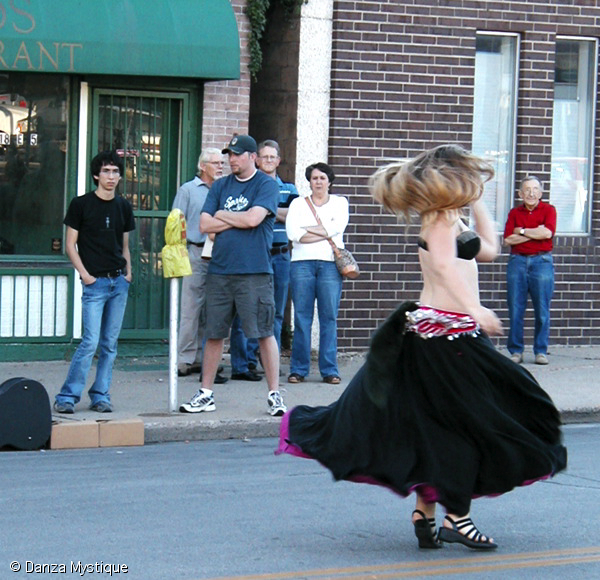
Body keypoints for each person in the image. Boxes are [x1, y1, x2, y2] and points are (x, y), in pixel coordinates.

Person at [277, 145, 566, 551]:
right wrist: (475, 308)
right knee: (470, 424)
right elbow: (445, 268)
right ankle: (457, 518)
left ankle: (426, 512)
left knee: (436, 427)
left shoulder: (452, 218)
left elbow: (489, 249)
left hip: (451, 336)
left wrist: (479, 202)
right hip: (445, 338)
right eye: (467, 180)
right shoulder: (438, 223)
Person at [179, 134, 287, 416]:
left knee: (263, 332)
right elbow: (204, 224)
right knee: (214, 333)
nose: (231, 160)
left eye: (237, 154)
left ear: (252, 157)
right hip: (220, 270)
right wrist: (236, 218)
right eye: (229, 155)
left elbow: (254, 219)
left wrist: (222, 215)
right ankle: (206, 393)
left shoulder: (265, 184)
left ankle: (274, 395)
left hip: (255, 271)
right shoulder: (221, 185)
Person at [54, 150, 135, 414]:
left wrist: (128, 273)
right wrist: (85, 275)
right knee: (90, 342)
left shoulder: (123, 206)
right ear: (96, 175)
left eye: (115, 171)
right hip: (95, 284)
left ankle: (101, 395)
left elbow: (124, 245)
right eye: (106, 171)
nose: (111, 176)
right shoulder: (81, 204)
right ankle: (67, 396)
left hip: (118, 282)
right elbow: (70, 245)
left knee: (110, 344)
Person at [233, 139, 299, 374]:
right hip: (254, 255)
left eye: (273, 157)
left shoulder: (290, 189)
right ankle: (247, 361)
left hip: (280, 255)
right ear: (257, 160)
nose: (268, 161)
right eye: (264, 157)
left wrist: (264, 209)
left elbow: (294, 216)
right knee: (248, 309)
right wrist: (273, 211)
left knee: (276, 312)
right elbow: (246, 214)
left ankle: (270, 361)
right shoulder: (249, 186)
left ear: (278, 161)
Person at [285, 162, 348, 384]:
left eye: (322, 178)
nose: (318, 182)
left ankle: (329, 370)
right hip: (301, 263)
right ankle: (298, 369)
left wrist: (307, 230)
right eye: (314, 178)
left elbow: (337, 228)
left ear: (329, 181)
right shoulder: (297, 204)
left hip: (330, 264)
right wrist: (324, 231)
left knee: (328, 317)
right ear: (309, 182)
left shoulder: (340, 203)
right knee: (302, 318)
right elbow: (293, 233)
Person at [172, 148, 228, 384]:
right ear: (203, 166)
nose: (220, 167)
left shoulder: (225, 189)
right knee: (190, 308)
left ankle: (206, 359)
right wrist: (179, 254)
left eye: (222, 163)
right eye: (215, 163)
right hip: (195, 252)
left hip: (221, 254)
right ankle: (184, 359)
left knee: (214, 309)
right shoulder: (188, 190)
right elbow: (176, 222)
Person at [503, 176, 556, 365]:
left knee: (542, 309)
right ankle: (516, 351)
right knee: (515, 308)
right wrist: (535, 232)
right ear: (520, 193)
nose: (531, 193)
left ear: (541, 193)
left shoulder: (549, 210)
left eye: (535, 189)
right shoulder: (514, 212)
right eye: (527, 190)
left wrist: (522, 231)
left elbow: (547, 233)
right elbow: (508, 240)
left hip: (542, 262)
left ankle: (540, 351)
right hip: (517, 261)